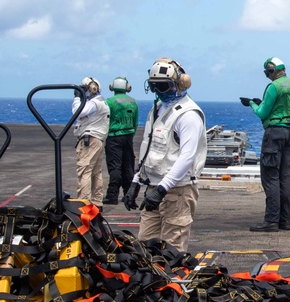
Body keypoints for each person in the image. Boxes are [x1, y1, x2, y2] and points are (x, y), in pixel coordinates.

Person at [124, 58, 206, 253]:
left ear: (179, 83)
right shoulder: (158, 110)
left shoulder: (188, 115)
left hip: (177, 191)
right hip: (153, 188)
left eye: (164, 86)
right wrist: (136, 181)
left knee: (172, 251)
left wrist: (162, 189)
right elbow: (149, 149)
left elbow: (187, 157)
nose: (160, 92)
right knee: (144, 247)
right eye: (155, 87)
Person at [240, 57, 290, 232]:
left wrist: (252, 103)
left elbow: (262, 112)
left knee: (270, 177)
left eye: (268, 72)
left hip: (274, 134)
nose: (267, 76)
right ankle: (284, 221)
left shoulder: (274, 86)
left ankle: (271, 221)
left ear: (272, 70)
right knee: (285, 177)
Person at [71, 77, 110, 203]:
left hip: (90, 139)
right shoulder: (101, 102)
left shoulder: (94, 103)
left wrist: (77, 97)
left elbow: (78, 112)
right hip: (98, 139)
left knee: (85, 171)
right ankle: (97, 201)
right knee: (96, 171)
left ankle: (83, 201)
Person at [102, 76, 139, 205]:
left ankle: (112, 196)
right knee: (128, 167)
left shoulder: (109, 102)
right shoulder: (133, 101)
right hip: (128, 137)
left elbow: (105, 120)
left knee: (115, 167)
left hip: (114, 136)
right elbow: (135, 121)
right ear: (127, 88)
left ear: (113, 87)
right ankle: (128, 195)